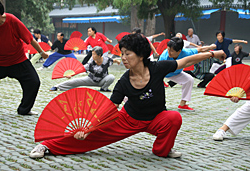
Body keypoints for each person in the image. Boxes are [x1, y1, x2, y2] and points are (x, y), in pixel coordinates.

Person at [29, 33, 225, 159]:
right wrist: (89, 128)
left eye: (127, 54)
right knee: (90, 138)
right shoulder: (123, 81)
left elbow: (186, 60)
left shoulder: (158, 68)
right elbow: (109, 108)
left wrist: (213, 54)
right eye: (121, 54)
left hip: (156, 118)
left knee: (174, 117)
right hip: (128, 120)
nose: (122, 58)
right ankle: (47, 146)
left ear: (141, 55)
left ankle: (161, 151)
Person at [0, 0, 48, 115]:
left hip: (17, 60)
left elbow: (29, 38)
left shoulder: (12, 20)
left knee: (34, 82)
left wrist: (41, 52)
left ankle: (24, 109)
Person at [159, 37, 216, 111]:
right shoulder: (164, 57)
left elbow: (200, 49)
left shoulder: (186, 52)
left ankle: (183, 104)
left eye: (172, 51)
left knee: (189, 80)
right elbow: (158, 70)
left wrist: (211, 47)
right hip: (163, 73)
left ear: (179, 51)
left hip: (176, 73)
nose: (169, 52)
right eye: (168, 49)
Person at [50, 46, 120, 92]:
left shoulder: (106, 60)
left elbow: (112, 60)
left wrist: (117, 61)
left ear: (99, 55)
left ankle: (104, 88)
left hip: (102, 80)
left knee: (111, 77)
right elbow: (82, 69)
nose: (92, 56)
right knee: (75, 81)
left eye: (94, 54)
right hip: (91, 79)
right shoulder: (91, 63)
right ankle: (57, 87)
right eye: (92, 54)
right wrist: (72, 74)